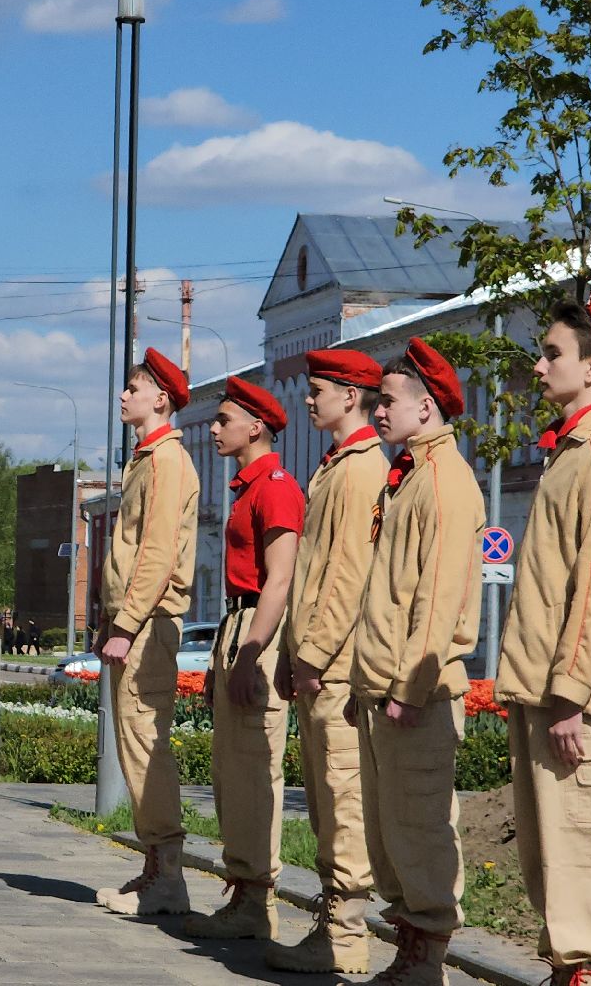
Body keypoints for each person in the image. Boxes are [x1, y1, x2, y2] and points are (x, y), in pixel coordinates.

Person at [496, 290, 591, 986]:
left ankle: (590, 976)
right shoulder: (576, 449)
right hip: (550, 691)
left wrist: (571, 695)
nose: (538, 366)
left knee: (584, 851)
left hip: (575, 702)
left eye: (551, 353)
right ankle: (571, 971)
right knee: (555, 857)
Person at [349, 338, 485, 986]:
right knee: (391, 833)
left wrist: (408, 686)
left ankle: (427, 961)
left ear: (425, 407)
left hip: (420, 695)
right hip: (386, 688)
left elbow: (437, 600)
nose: (377, 411)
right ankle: (409, 952)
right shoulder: (408, 477)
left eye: (387, 401)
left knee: (421, 828)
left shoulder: (444, 481)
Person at [267, 349, 386, 975]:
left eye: (318, 390)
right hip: (319, 663)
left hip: (337, 668)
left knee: (343, 802)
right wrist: (296, 651)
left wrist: (310, 653)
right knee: (323, 801)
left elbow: (345, 577)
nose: (309, 400)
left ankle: (345, 934)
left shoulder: (362, 470)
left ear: (350, 395)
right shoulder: (337, 465)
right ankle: (333, 925)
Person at [182, 375, 302, 941]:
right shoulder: (248, 488)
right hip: (237, 623)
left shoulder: (275, 488)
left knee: (254, 768)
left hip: (258, 626)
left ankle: (257, 898)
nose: (214, 428)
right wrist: (222, 658)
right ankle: (244, 891)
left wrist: (252, 652)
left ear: (255, 428)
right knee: (231, 770)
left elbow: (279, 579)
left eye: (223, 420)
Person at [93, 348, 200, 917]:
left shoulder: (165, 462)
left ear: (160, 398)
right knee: (134, 748)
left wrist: (127, 624)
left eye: (132, 389)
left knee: (145, 747)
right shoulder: (147, 458)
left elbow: (156, 553)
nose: (122, 396)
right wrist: (111, 620)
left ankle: (167, 878)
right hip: (136, 623)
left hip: (150, 625)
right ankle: (156, 870)